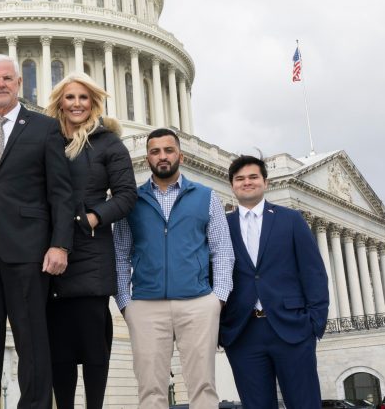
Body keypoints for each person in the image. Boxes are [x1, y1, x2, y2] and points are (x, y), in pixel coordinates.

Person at [0, 54, 74, 409]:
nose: (1, 84)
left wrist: (60, 245)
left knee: (32, 342)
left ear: (19, 82)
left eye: (8, 78)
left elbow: (61, 192)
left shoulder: (44, 128)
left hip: (28, 251)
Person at [113, 128, 235, 409]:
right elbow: (120, 254)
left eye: (168, 150)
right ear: (147, 158)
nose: (162, 156)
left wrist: (218, 299)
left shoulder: (207, 196)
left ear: (180, 154)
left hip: (198, 303)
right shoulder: (132, 201)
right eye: (155, 151)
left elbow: (222, 251)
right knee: (150, 390)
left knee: (203, 388)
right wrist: (125, 303)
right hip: (145, 305)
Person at [44, 73, 137, 408]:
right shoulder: (46, 139)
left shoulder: (108, 143)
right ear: (59, 102)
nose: (77, 104)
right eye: (70, 98)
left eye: (84, 98)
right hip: (51, 254)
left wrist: (92, 218)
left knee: (94, 350)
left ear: (94, 102)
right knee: (59, 354)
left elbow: (127, 195)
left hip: (90, 254)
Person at [219, 154, 329, 409]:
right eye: (240, 178)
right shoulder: (222, 226)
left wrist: (314, 323)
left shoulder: (290, 220)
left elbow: (314, 273)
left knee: (304, 404)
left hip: (292, 328)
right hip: (243, 333)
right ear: (232, 185)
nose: (247, 182)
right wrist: (221, 330)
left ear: (265, 182)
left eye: (253, 177)